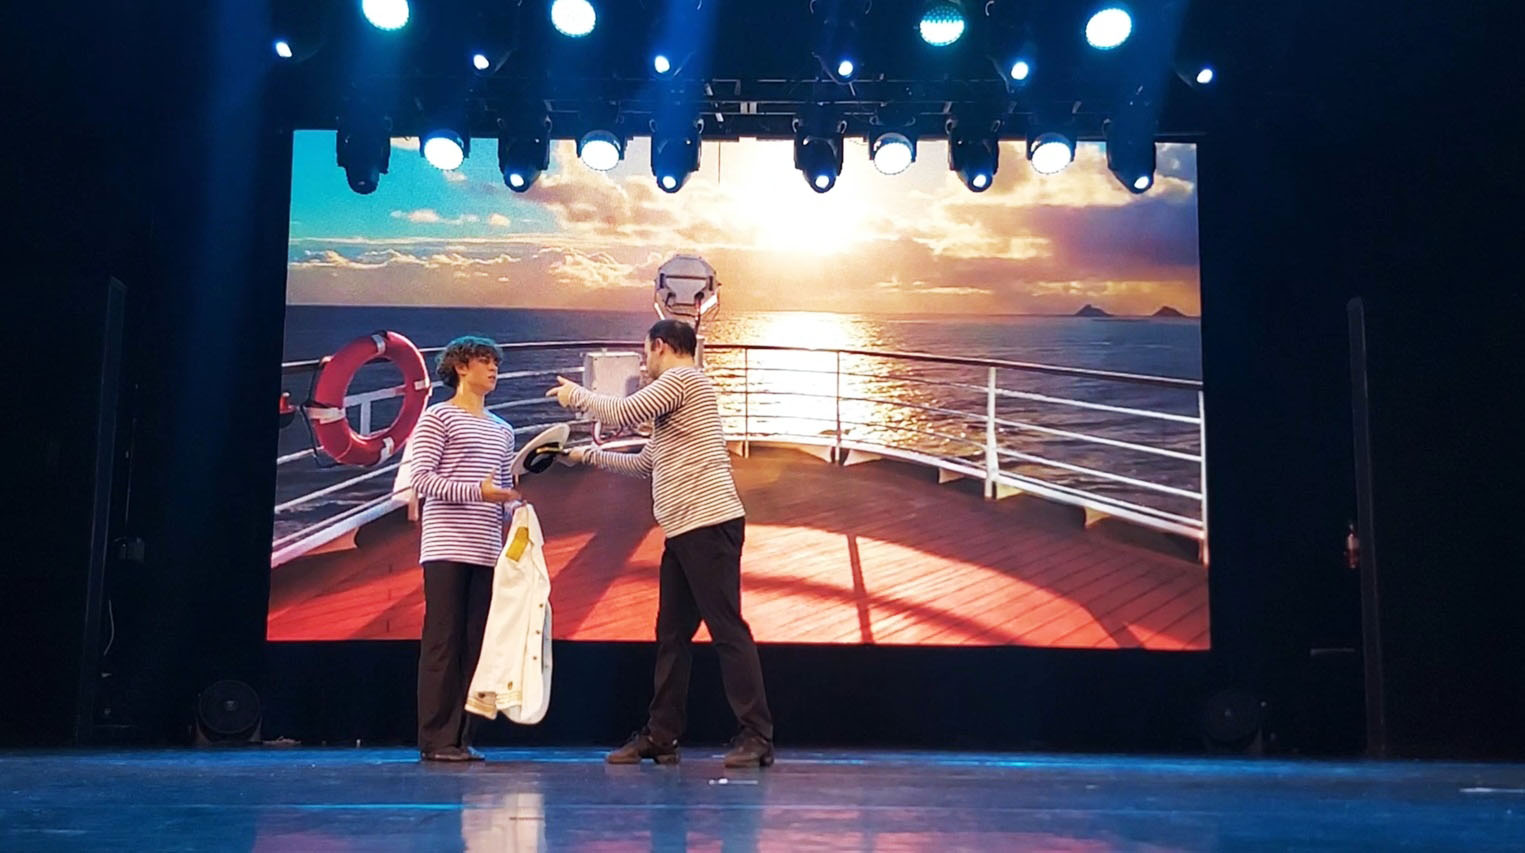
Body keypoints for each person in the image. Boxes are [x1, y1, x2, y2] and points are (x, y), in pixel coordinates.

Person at [546, 319, 775, 768]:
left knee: (727, 629)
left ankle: (757, 736)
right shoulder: (675, 403)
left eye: (646, 351)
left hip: (708, 525)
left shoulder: (683, 380)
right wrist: (585, 455)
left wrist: (577, 396)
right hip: (685, 530)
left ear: (662, 346)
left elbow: (623, 412)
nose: (644, 361)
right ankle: (661, 735)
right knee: (672, 636)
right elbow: (645, 463)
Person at [409, 336, 520, 762]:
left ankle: (460, 737)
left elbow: (502, 489)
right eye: (484, 361)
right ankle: (436, 739)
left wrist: (516, 510)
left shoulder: (503, 430)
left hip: (487, 550)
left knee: (476, 645)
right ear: (460, 367)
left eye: (496, 363)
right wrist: (479, 492)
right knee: (443, 642)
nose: (493, 369)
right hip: (446, 547)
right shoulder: (438, 417)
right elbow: (422, 480)